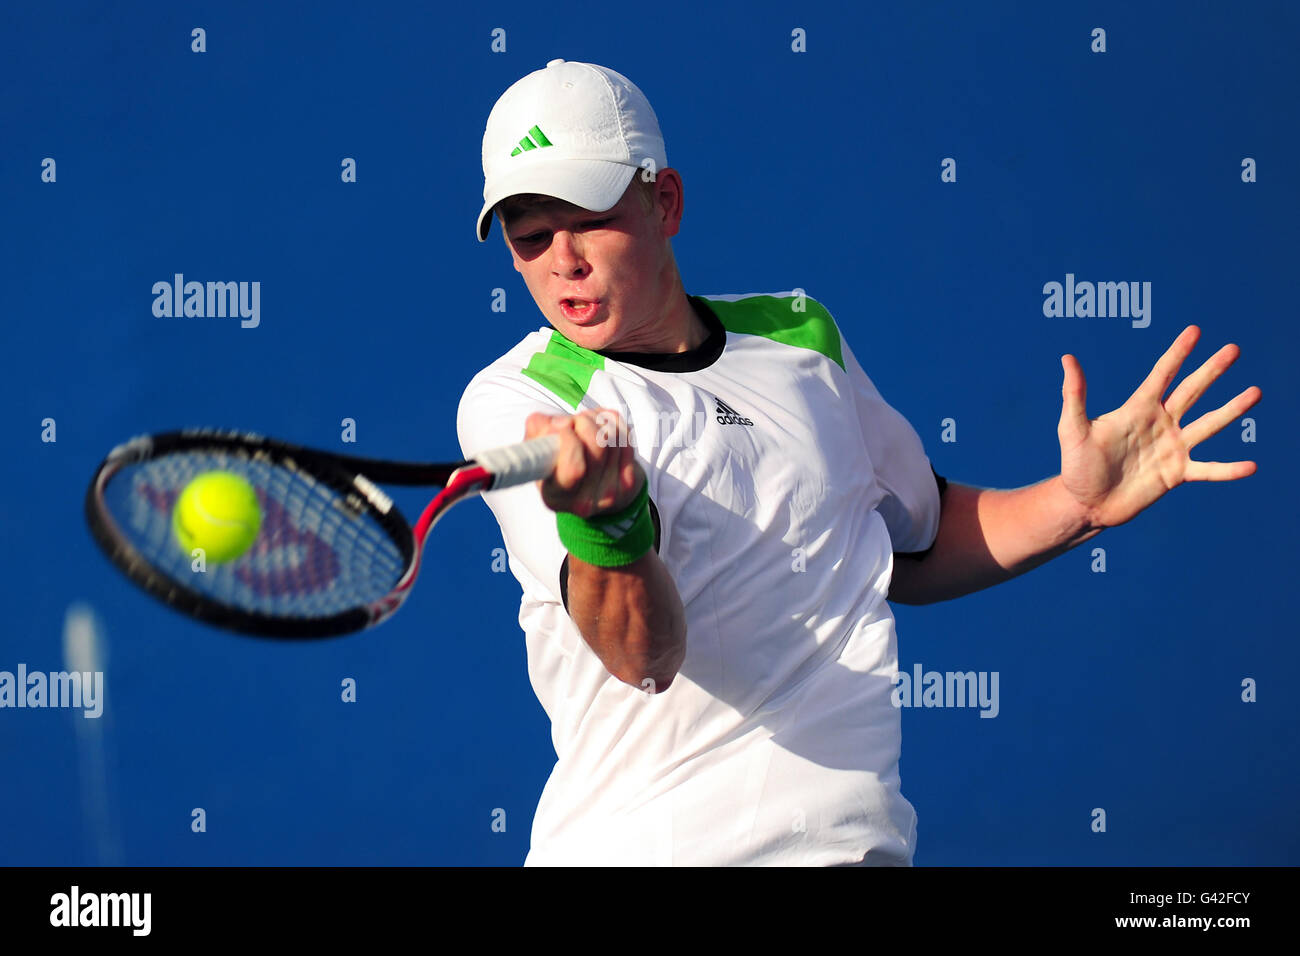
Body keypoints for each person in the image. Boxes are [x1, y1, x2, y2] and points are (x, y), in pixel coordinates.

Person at [456, 59, 1261, 866]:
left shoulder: (802, 340)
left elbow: (913, 541)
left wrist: (1078, 501)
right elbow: (643, 657)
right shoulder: (517, 405)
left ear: (664, 200)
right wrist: (607, 523)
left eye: (589, 217)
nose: (563, 260)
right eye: (530, 237)